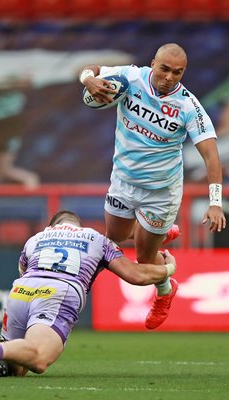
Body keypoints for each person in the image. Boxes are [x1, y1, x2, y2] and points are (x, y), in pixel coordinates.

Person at [79, 43, 227, 329]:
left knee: (145, 258)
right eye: (164, 69)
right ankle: (156, 232)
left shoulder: (188, 106)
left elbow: (211, 156)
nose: (170, 76)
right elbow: (92, 69)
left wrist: (215, 202)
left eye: (178, 72)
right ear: (153, 64)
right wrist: (89, 80)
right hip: (123, 181)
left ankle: (165, 291)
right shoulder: (131, 78)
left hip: (161, 193)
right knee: (114, 238)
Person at [0, 210, 177, 378]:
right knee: (39, 359)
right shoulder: (96, 238)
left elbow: (23, 269)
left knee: (20, 369)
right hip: (58, 293)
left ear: (52, 226)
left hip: (20, 290)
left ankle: (3, 353)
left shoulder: (36, 238)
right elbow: (135, 275)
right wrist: (169, 269)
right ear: (78, 225)